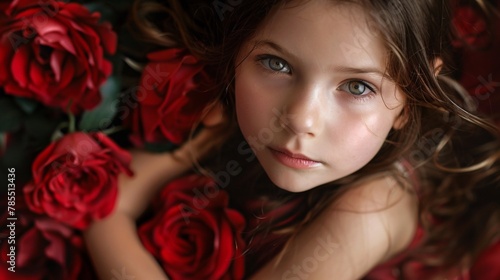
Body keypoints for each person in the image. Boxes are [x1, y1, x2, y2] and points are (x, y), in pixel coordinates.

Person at [83, 0, 500, 279]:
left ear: (409, 99)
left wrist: (105, 228)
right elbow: (113, 200)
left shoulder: (370, 212)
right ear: (236, 52)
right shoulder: (233, 122)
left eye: (356, 87)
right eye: (276, 63)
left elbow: (106, 211)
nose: (301, 119)